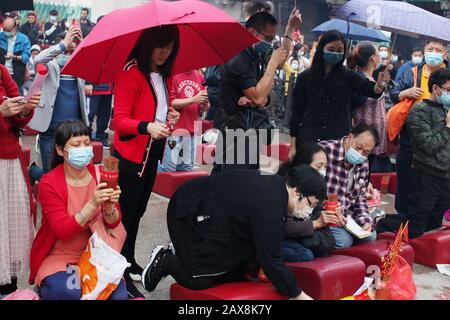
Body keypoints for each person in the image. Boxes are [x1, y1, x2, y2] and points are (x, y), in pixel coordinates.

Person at [141, 165, 326, 300]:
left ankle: (184, 251)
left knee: (235, 272)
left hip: (212, 218)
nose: (309, 211)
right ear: (296, 191)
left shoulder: (276, 188)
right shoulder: (270, 204)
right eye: (311, 205)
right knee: (199, 280)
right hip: (187, 213)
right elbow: (272, 261)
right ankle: (165, 260)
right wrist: (298, 295)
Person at [113, 25, 180, 299]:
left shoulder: (164, 76)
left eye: (170, 46)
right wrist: (147, 126)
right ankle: (118, 272)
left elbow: (159, 111)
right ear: (148, 45)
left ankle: (128, 261)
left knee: (137, 213)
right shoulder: (131, 73)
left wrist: (168, 120)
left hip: (152, 154)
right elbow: (120, 121)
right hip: (130, 157)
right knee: (123, 216)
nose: (165, 52)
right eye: (160, 46)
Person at [29, 120, 127, 300]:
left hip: (97, 256)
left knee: (117, 296)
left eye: (87, 143)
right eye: (76, 145)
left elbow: (114, 222)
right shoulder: (50, 182)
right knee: (70, 291)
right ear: (60, 150)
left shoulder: (100, 174)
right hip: (62, 258)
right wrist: (92, 203)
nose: (83, 148)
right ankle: (44, 289)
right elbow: (63, 231)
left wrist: (110, 207)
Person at [215, 9, 300, 173]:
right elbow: (259, 98)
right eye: (268, 38)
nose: (270, 43)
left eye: (273, 39)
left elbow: (280, 61)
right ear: (252, 33)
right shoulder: (237, 59)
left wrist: (290, 28)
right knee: (233, 184)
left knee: (245, 181)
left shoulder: (255, 53)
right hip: (236, 134)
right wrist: (271, 68)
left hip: (253, 131)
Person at [288, 31, 389, 160]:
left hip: (337, 142)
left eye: (339, 50)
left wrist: (379, 84)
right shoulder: (305, 77)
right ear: (321, 48)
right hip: (309, 139)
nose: (335, 53)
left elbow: (369, 89)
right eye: (331, 49)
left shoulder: (348, 76)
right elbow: (297, 112)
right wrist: (292, 146)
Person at [377, 69, 450, 238]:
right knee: (416, 227)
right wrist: (447, 127)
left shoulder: (446, 111)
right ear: (435, 88)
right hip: (425, 174)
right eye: (448, 90)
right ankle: (381, 223)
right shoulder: (420, 111)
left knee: (434, 223)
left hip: (446, 177)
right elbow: (429, 145)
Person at [389, 40, 448, 219]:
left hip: (442, 135)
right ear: (424, 51)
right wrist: (404, 93)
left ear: (445, 54)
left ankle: (427, 223)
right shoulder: (411, 70)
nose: (434, 53)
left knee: (434, 188)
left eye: (438, 50)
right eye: (430, 49)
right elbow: (393, 92)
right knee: (406, 180)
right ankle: (403, 221)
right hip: (412, 133)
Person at [27, 26, 90, 181]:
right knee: (51, 174)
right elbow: (37, 59)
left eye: (71, 51)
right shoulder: (50, 63)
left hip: (73, 129)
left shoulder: (80, 63)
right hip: (50, 128)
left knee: (71, 172)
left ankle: (36, 173)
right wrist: (63, 44)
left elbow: (97, 62)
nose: (68, 55)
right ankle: (34, 172)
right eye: (65, 51)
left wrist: (83, 46)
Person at [0, 64, 40, 296]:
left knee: (10, 227)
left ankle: (9, 287)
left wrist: (24, 109)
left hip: (8, 161)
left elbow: (17, 106)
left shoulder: (2, 71)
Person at [318, 123, 379, 248]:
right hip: (324, 214)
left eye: (366, 152)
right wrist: (332, 212)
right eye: (358, 147)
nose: (360, 154)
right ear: (350, 137)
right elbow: (309, 188)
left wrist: (365, 220)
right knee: (344, 241)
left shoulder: (363, 162)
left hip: (347, 218)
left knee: (371, 235)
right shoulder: (324, 150)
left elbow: (360, 196)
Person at [278, 143, 339, 262]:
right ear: (304, 165)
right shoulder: (289, 185)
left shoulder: (314, 184)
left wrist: (331, 214)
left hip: (301, 231)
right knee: (305, 254)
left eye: (325, 166)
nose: (322, 171)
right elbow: (285, 225)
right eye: (319, 166)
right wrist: (316, 223)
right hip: (280, 234)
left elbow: (314, 210)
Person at [347, 42, 391, 173]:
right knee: (354, 170)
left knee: (366, 172)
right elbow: (354, 101)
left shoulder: (372, 78)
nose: (380, 57)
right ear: (373, 57)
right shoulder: (358, 78)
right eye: (378, 54)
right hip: (361, 135)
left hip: (373, 137)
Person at [159, 70, 208, 172]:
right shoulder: (173, 74)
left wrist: (205, 104)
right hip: (175, 131)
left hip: (193, 131)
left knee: (187, 169)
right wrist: (193, 99)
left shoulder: (199, 76)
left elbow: (204, 107)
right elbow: (170, 102)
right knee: (168, 170)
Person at [0, 17, 31, 92]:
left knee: (15, 95)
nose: (6, 32)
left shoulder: (24, 39)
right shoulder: (0, 37)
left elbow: (26, 57)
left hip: (16, 74)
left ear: (15, 28)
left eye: (8, 30)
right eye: (4, 30)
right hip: (1, 73)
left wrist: (15, 57)